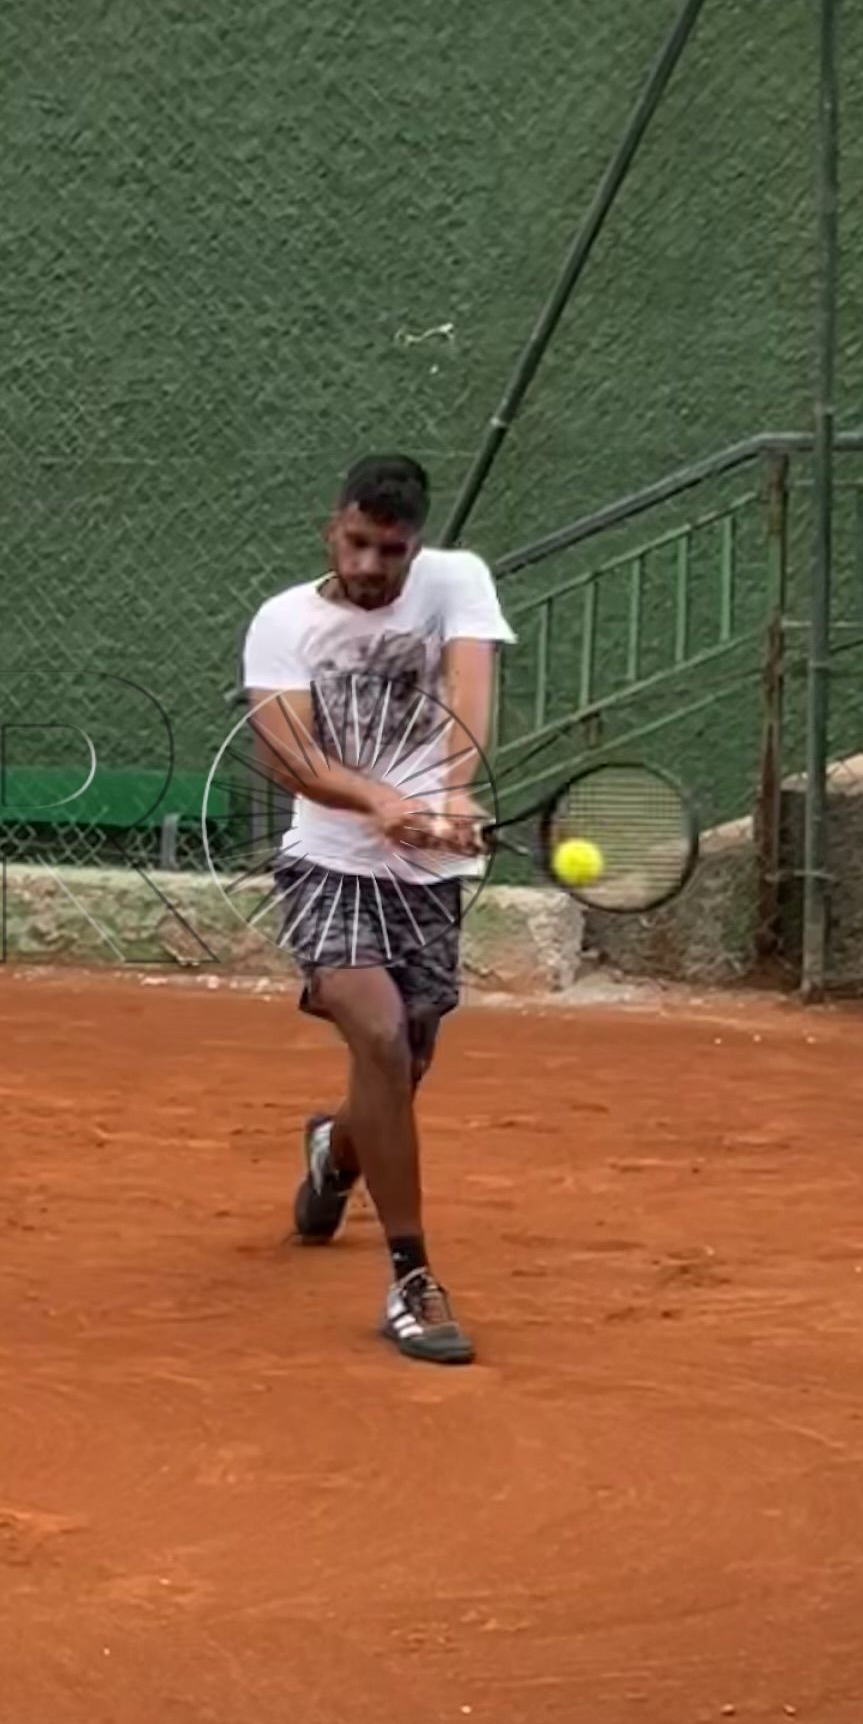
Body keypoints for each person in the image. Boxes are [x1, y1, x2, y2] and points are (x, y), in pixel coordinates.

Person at [239, 454, 513, 1367]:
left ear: (416, 543)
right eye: (357, 544)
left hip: (427, 883)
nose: (370, 566)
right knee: (385, 1040)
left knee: (404, 1062)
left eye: (389, 551)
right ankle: (411, 1280)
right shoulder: (284, 621)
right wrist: (377, 803)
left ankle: (338, 1151)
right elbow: (292, 759)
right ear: (333, 527)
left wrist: (454, 793)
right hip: (328, 868)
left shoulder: (455, 581)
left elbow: (470, 691)